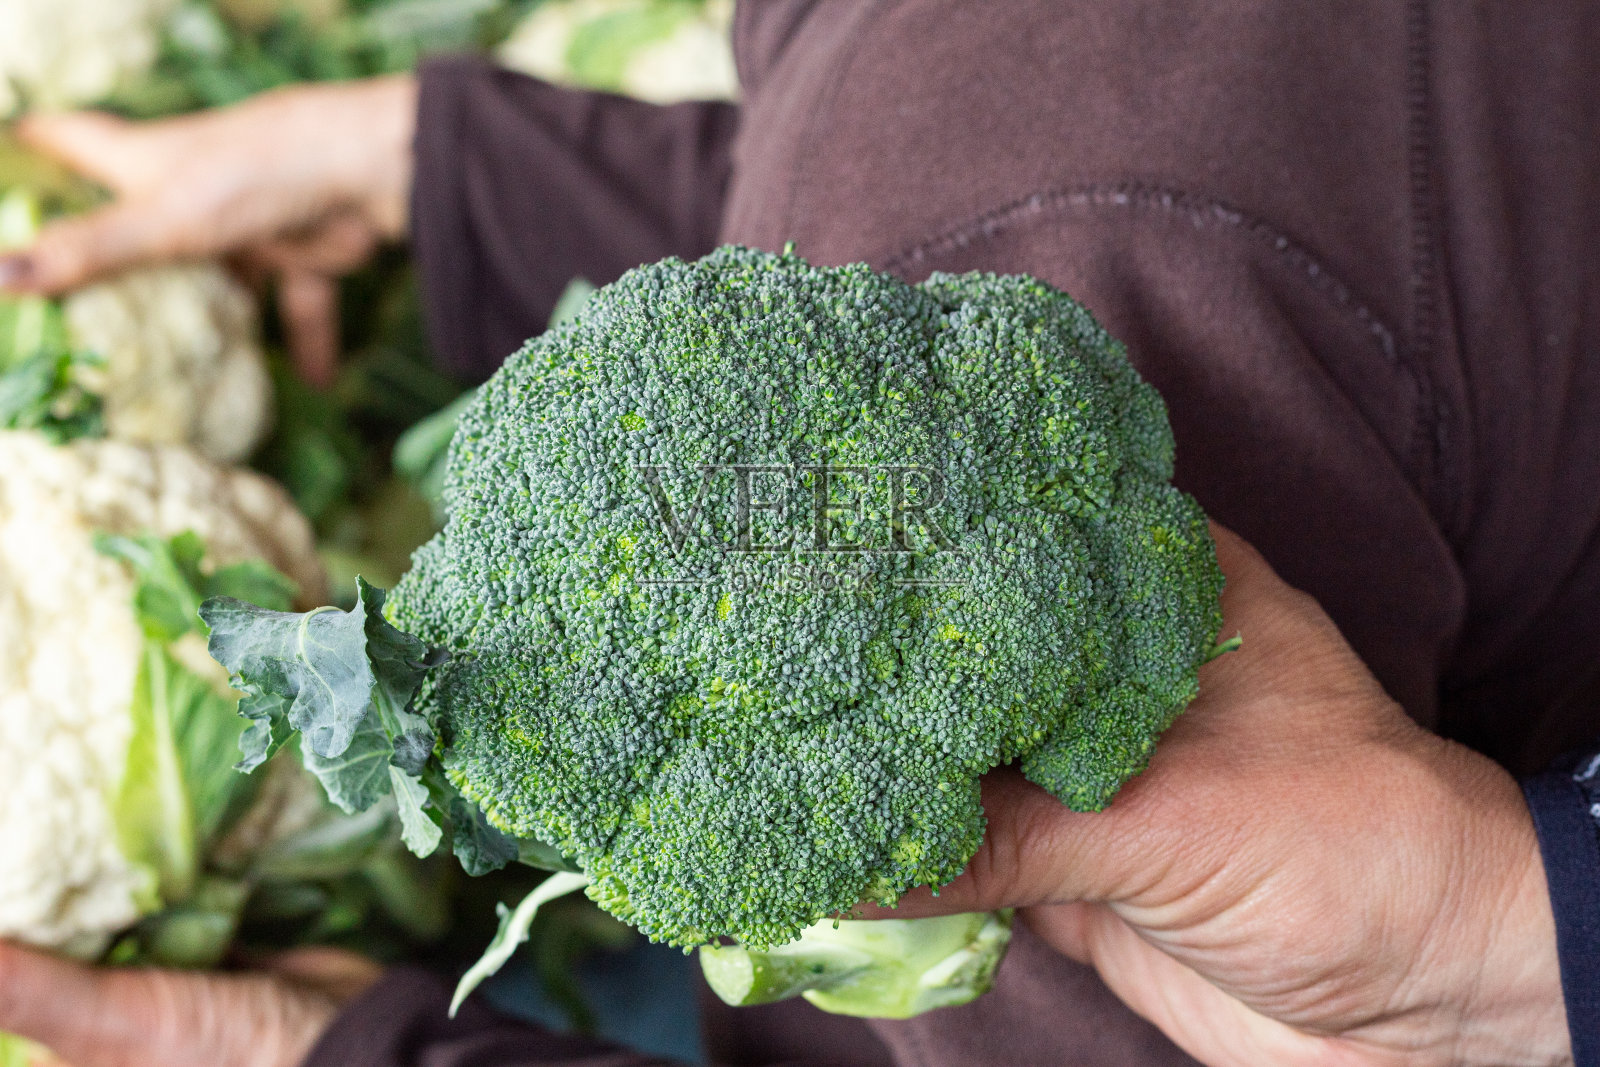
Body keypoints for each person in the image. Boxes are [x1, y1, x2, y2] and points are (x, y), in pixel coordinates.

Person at [0, 3, 1595, 1064]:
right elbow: (858, 247)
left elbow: (1064, 221)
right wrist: (440, 163)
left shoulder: (1040, 779)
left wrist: (336, 1054)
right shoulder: (1065, 194)